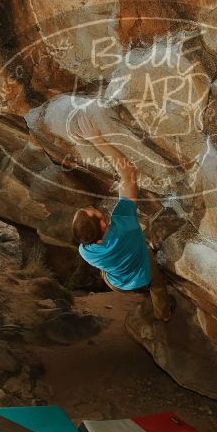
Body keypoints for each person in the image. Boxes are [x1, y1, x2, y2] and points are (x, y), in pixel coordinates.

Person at [71, 113, 175, 322]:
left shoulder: (86, 252)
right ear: (103, 224)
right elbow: (129, 175)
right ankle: (163, 315)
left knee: (108, 271)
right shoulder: (124, 223)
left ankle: (157, 312)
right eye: (97, 213)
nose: (96, 208)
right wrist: (97, 139)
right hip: (143, 275)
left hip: (117, 284)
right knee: (157, 285)